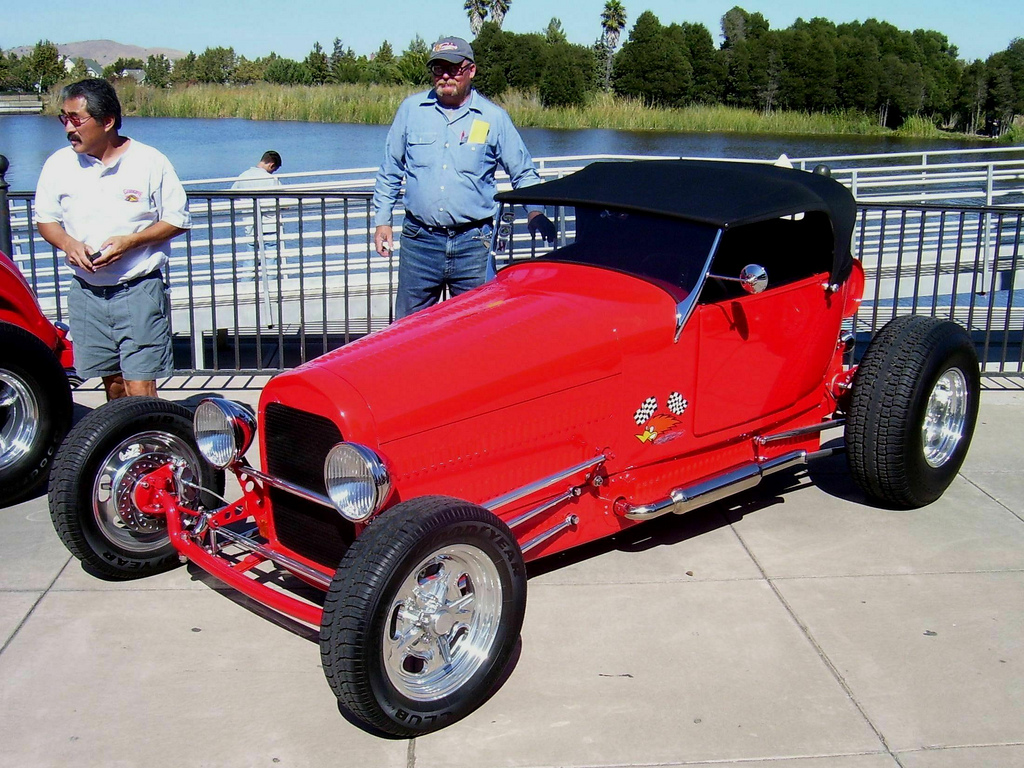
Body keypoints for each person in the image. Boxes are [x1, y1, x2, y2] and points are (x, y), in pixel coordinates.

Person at [372, 36, 556, 318]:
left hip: (474, 244)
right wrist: (383, 220)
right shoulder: (411, 111)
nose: (445, 75)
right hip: (419, 242)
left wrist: (534, 212)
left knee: (477, 330)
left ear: (471, 71)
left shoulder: (494, 118)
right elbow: (391, 169)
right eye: (438, 69)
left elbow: (523, 172)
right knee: (407, 334)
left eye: (454, 68)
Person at [34, 78, 190, 400]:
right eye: (63, 118)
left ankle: (149, 444)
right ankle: (124, 445)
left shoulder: (150, 161)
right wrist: (69, 244)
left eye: (76, 119)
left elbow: (178, 219)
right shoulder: (57, 164)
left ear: (107, 121)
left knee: (140, 388)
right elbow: (46, 220)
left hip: (138, 289)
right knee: (114, 386)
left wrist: (130, 242)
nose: (67, 128)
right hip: (87, 294)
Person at [231, 150, 283, 276]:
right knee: (271, 261)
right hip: (269, 226)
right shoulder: (271, 179)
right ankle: (271, 290)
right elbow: (283, 201)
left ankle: (245, 289)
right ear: (271, 164)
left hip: (250, 226)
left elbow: (232, 195)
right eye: (273, 169)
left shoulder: (243, 176)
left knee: (250, 260)